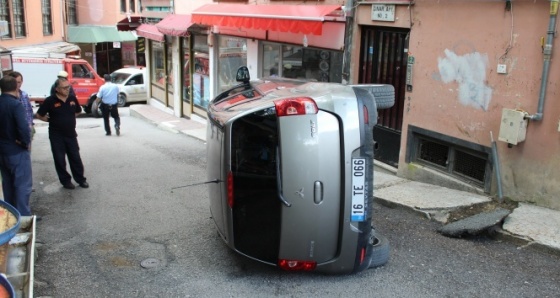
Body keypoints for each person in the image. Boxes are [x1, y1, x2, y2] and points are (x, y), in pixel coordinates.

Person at [36, 78, 89, 189]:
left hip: (71, 134)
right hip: (56, 136)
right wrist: (50, 120)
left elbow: (78, 111)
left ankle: (80, 179)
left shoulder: (72, 98)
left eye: (68, 87)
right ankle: (66, 181)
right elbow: (39, 115)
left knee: (75, 157)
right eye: (64, 88)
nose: (67, 89)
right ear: (57, 89)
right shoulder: (50, 100)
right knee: (60, 159)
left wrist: (68, 118)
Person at [0, 76, 33, 216]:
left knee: (8, 184)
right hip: (16, 150)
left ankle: (11, 215)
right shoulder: (15, 104)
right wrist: (26, 142)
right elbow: (23, 128)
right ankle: (23, 217)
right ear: (15, 87)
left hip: (2, 151)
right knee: (22, 186)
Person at [8, 71, 35, 140]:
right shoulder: (6, 97)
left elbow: (29, 111)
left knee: (27, 150)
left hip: (26, 129)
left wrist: (30, 125)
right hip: (13, 132)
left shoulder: (24, 95)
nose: (17, 84)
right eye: (15, 82)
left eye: (19, 82)